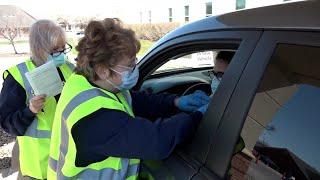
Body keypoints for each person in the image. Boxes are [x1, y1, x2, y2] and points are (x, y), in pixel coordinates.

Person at [47, 18, 209, 180]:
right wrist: (198, 116)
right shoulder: (97, 119)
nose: (135, 69)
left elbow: (134, 100)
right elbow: (157, 141)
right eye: (130, 65)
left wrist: (175, 101)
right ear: (103, 70)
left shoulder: (83, 81)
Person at [0, 20, 74, 179]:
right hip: (39, 169)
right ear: (39, 49)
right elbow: (7, 124)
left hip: (69, 162)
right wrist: (30, 111)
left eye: (63, 47)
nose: (61, 53)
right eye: (55, 49)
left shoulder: (69, 68)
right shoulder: (17, 77)